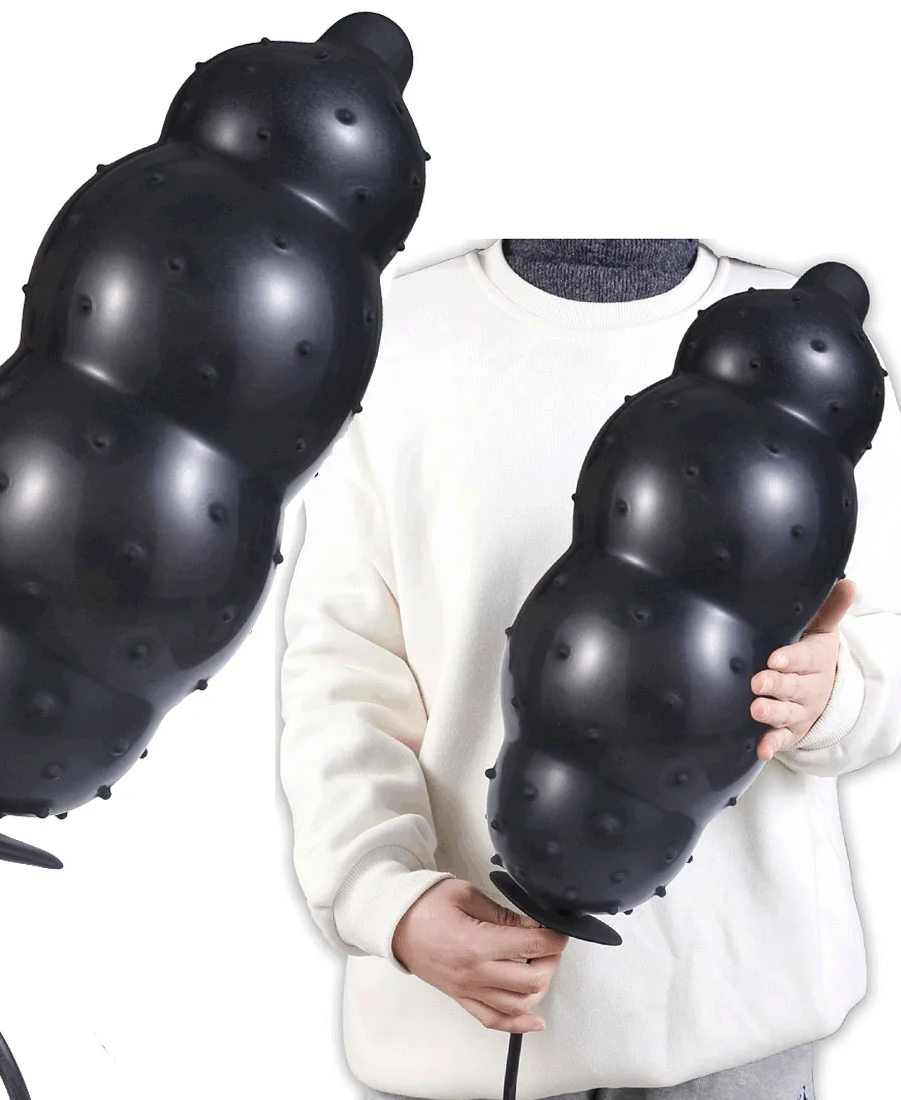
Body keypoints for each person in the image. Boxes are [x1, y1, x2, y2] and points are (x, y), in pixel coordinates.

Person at [276, 239, 901, 1100]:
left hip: (732, 1028)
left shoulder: (813, 362)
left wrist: (836, 693)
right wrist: (384, 897)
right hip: (457, 1024)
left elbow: (882, 636)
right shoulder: (402, 334)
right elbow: (344, 674)